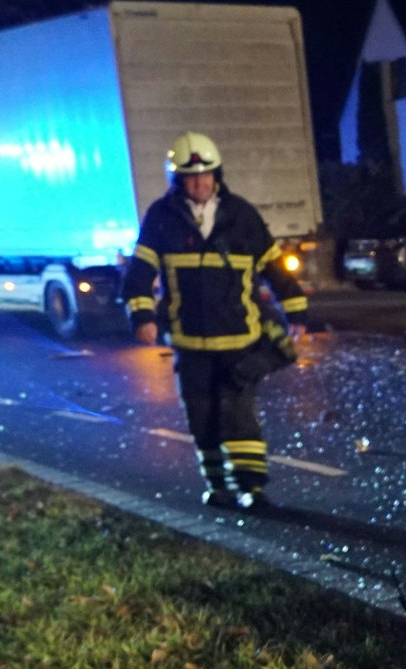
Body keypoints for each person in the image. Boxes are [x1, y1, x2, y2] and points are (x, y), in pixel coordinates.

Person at [123, 131, 307, 511]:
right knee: (202, 417)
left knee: (239, 417)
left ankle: (252, 490)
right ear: (178, 181)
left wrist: (297, 312)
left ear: (217, 175)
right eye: (191, 178)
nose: (200, 183)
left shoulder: (242, 216)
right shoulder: (162, 218)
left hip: (240, 339)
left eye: (206, 175)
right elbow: (139, 272)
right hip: (190, 344)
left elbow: (274, 267)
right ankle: (218, 487)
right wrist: (142, 316)